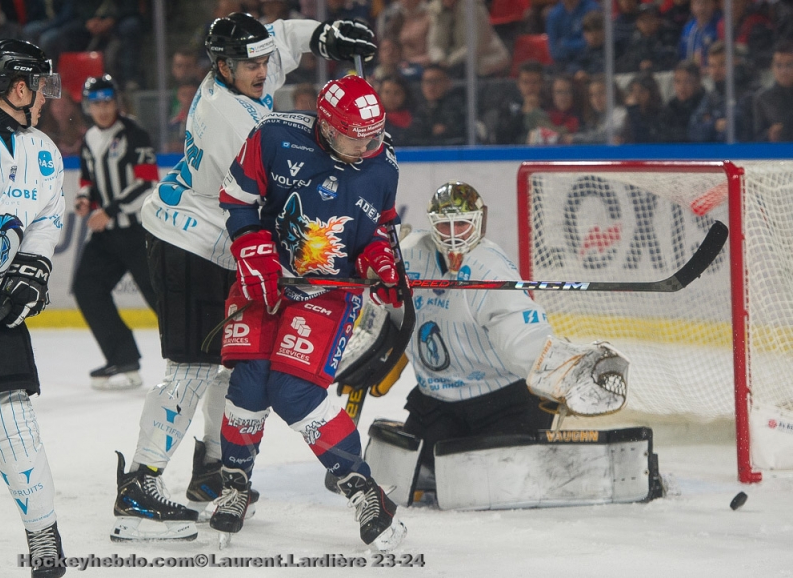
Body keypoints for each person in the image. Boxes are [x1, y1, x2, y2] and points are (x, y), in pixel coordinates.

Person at [111, 13, 377, 542]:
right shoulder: (231, 117)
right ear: (222, 66)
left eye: (262, 62)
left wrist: (321, 36)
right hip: (188, 245)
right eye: (250, 64)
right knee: (190, 369)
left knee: (231, 364)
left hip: (220, 251)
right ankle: (139, 486)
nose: (261, 70)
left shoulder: (240, 71)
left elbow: (281, 36)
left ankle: (211, 470)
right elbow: (283, 189)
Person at [211, 74, 406, 550]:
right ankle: (236, 485)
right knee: (248, 382)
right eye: (356, 137)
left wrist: (381, 263)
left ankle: (364, 491)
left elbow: (378, 231)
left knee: (294, 391)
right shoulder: (275, 136)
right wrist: (252, 248)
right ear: (327, 126)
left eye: (374, 135)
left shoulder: (383, 163)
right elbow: (237, 198)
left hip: (328, 291)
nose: (367, 146)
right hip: (267, 278)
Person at [351, 182, 631, 507]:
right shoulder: (410, 255)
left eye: (461, 224)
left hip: (504, 403)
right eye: (444, 225)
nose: (453, 235)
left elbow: (521, 336)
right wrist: (373, 343)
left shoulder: (490, 269)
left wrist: (563, 371)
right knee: (415, 473)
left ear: (479, 221)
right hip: (436, 402)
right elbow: (383, 300)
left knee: (494, 484)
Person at [0, 38, 66, 577]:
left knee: (13, 417)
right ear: (19, 87)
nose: (45, 96)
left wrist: (32, 267)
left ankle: (44, 535)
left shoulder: (43, 149)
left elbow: (45, 216)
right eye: (40, 86)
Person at [72, 75, 159, 389]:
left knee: (159, 296)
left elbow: (146, 182)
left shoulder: (134, 133)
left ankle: (196, 354)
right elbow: (87, 179)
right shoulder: (89, 138)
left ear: (117, 102)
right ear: (88, 107)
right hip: (107, 236)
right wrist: (84, 199)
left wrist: (108, 210)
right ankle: (122, 358)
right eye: (96, 104)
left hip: (137, 232)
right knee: (86, 288)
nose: (103, 109)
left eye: (108, 102)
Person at [427, 0, 510, 77]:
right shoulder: (437, 9)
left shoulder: (473, 6)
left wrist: (450, 61)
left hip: (484, 62)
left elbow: (478, 45)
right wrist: (439, 60)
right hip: (455, 64)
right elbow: (435, 44)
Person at [495, 60, 552, 145]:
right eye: (525, 82)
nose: (530, 87)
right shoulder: (508, 104)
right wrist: (522, 113)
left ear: (542, 83)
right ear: (518, 84)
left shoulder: (550, 102)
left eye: (534, 82)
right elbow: (501, 136)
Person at [409, 63, 466, 145]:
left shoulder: (459, 108)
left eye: (436, 81)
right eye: (427, 82)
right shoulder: (416, 108)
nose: (431, 86)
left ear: (448, 83)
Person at [753, 40, 793, 142]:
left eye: (789, 65)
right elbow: (756, 137)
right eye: (778, 65)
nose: (783, 71)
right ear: (772, 67)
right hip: (777, 150)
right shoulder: (763, 98)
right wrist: (769, 135)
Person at [545, 0, 601, 71]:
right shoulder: (554, 14)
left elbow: (593, 41)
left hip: (590, 62)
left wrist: (565, 43)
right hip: (564, 64)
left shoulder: (592, 9)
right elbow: (554, 51)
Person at [658, 60, 705, 142]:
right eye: (678, 81)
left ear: (698, 81)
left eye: (687, 81)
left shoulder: (707, 104)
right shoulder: (671, 107)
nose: (682, 87)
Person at [678, 0, 720, 66]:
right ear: (691, 6)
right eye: (698, 3)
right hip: (690, 70)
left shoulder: (720, 26)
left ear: (713, 4)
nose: (702, 7)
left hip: (712, 70)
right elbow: (682, 54)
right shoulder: (687, 28)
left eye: (706, 3)